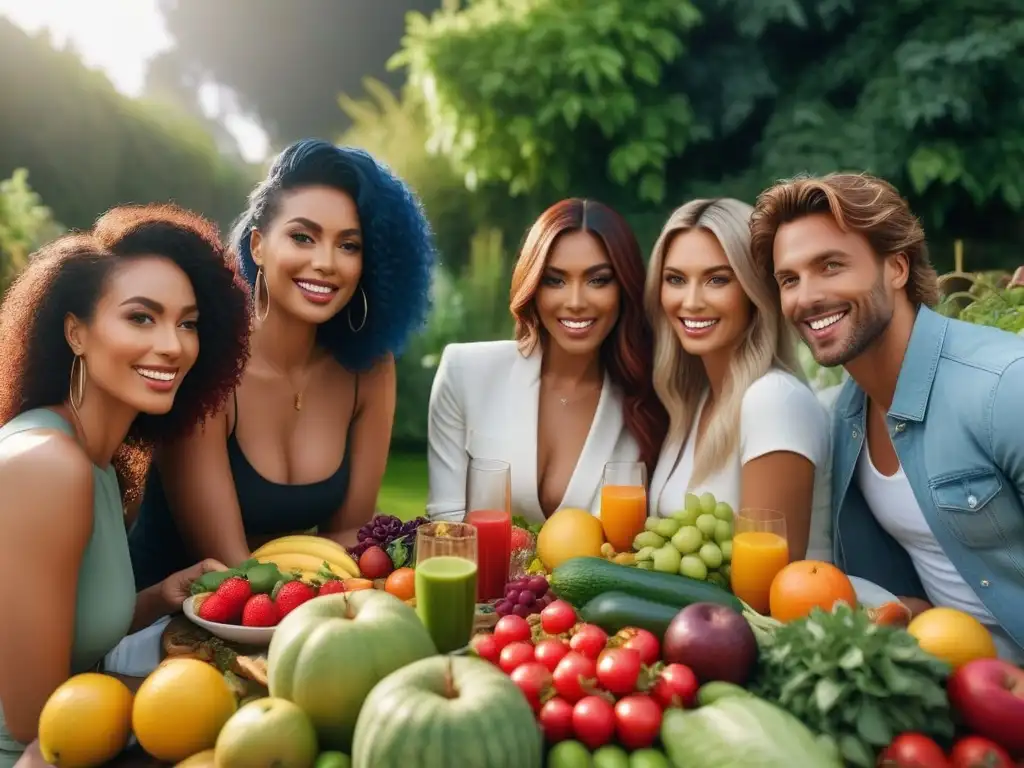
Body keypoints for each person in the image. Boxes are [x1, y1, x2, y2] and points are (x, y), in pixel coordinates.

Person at [0, 204, 250, 767]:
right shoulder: (47, 466)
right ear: (75, 332)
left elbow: (68, 628)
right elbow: (39, 722)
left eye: (187, 323)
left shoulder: (102, 464)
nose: (173, 345)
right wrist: (203, 692)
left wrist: (161, 597)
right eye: (142, 317)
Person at [128, 139, 435, 589]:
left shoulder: (367, 369)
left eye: (348, 245)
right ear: (257, 245)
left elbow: (348, 540)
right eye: (302, 237)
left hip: (285, 612)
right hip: (171, 620)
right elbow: (230, 566)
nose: (326, 263)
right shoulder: (207, 363)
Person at [751, 172, 1024, 661]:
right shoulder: (847, 415)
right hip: (944, 687)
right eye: (789, 279)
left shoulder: (1003, 385)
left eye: (830, 266)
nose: (806, 297)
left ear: (896, 268)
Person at [427, 198, 667, 524]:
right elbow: (446, 526)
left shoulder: (652, 399)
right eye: (555, 280)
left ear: (624, 288)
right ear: (533, 287)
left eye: (598, 280)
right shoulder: (463, 373)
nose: (576, 302)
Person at [645, 198, 831, 562]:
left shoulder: (774, 401)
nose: (691, 301)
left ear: (754, 290)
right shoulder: (694, 401)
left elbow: (768, 586)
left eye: (717, 279)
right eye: (676, 279)